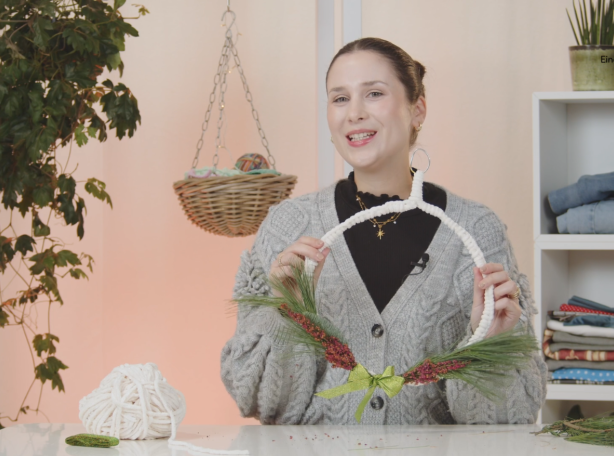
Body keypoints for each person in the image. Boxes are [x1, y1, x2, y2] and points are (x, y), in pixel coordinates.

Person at [221, 37, 547, 425]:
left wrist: (486, 341)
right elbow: (256, 401)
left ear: (417, 109)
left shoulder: (476, 232)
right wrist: (287, 313)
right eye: (339, 99)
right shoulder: (287, 226)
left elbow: (510, 420)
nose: (354, 113)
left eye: (374, 94)